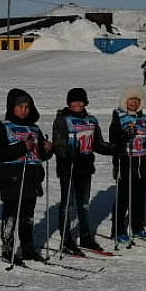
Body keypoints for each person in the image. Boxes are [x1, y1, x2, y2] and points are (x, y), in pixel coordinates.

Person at [0, 88, 52, 265]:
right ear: (12, 107)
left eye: (27, 106)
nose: (24, 110)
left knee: (28, 214)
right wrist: (22, 147)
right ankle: (7, 249)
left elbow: (40, 155)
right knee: (11, 213)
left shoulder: (34, 127)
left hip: (32, 175)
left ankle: (28, 248)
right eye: (20, 106)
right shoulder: (3, 126)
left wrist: (47, 149)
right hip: (12, 175)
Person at [51, 87, 113, 256]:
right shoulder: (62, 120)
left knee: (84, 204)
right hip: (68, 168)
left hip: (85, 167)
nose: (77, 104)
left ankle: (85, 236)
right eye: (74, 101)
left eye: (80, 101)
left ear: (85, 102)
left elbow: (98, 144)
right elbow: (58, 144)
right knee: (68, 204)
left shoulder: (91, 120)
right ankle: (66, 239)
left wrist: (116, 149)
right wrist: (67, 154)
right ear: (69, 103)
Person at [109, 86, 146, 244]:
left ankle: (137, 227)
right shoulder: (118, 116)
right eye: (131, 99)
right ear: (125, 100)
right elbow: (113, 139)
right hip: (125, 161)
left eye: (137, 99)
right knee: (123, 198)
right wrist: (124, 133)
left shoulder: (144, 119)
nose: (134, 102)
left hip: (141, 162)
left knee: (139, 198)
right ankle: (118, 230)